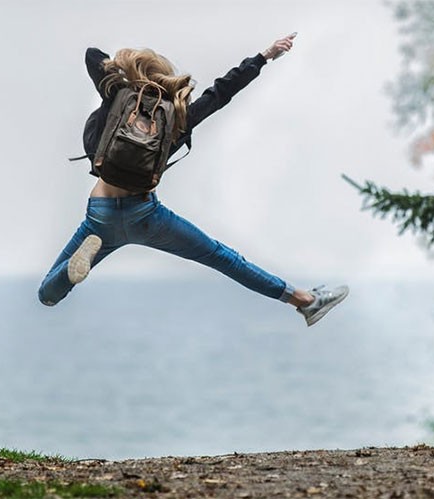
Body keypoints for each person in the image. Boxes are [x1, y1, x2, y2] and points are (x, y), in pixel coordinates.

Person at [37, 34, 348, 327]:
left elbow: (93, 56)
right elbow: (222, 92)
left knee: (48, 295)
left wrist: (126, 75)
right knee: (223, 258)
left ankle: (71, 271)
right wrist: (264, 56)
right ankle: (304, 301)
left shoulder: (117, 95)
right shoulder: (177, 116)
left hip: (100, 215)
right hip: (145, 216)